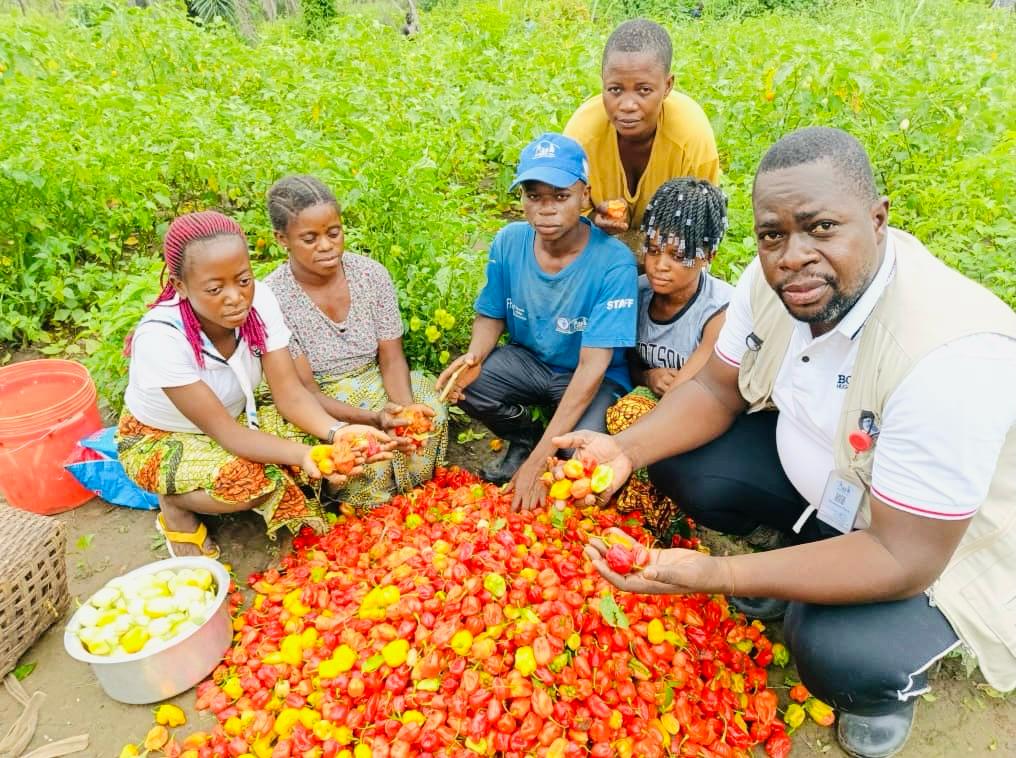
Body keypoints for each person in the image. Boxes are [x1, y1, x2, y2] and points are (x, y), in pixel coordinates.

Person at [564, 127, 1016, 758]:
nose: (792, 255)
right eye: (772, 233)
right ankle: (794, 559)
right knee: (680, 460)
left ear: (879, 220)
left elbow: (901, 555)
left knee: (833, 649)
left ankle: (887, 690)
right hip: (835, 483)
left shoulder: (946, 355)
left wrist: (713, 574)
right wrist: (627, 451)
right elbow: (717, 392)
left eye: (822, 227)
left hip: (926, 546)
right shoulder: (767, 283)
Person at [118, 211, 390, 557]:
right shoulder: (161, 338)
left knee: (325, 444)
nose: (236, 297)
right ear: (180, 286)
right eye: (215, 289)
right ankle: (175, 504)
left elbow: (290, 395)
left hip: (237, 416)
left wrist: (338, 433)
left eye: (243, 280)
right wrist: (305, 455)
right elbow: (226, 435)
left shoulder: (260, 302)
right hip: (162, 436)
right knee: (256, 482)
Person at [436, 133, 637, 511]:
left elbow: (593, 367)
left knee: (578, 463)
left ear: (584, 195)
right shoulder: (509, 242)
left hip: (587, 378)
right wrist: (474, 357)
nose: (546, 209)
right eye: (534, 196)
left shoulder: (613, 262)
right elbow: (490, 313)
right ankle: (525, 437)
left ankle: (544, 448)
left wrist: (538, 465)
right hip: (529, 362)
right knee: (472, 386)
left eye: (560, 196)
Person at [263, 175, 448, 512]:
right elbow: (306, 391)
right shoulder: (273, 298)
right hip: (323, 399)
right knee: (365, 454)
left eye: (333, 233)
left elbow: (391, 358)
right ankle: (363, 501)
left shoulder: (370, 275)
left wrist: (403, 413)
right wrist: (372, 419)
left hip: (376, 376)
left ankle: (411, 488)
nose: (326, 245)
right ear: (281, 239)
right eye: (310, 238)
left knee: (430, 407)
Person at [605, 177, 732, 538]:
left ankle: (666, 524)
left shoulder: (719, 312)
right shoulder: (638, 292)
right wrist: (647, 377)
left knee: (632, 413)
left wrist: (654, 389)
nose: (660, 265)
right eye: (653, 249)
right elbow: (623, 358)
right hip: (644, 408)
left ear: (708, 256)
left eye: (678, 256)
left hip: (697, 421)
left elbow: (690, 391)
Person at [564, 18, 719, 251]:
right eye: (615, 89)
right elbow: (559, 214)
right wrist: (593, 219)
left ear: (667, 86)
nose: (627, 105)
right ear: (603, 84)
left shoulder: (691, 137)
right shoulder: (581, 136)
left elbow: (703, 226)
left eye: (644, 90)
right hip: (598, 250)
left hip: (669, 252)